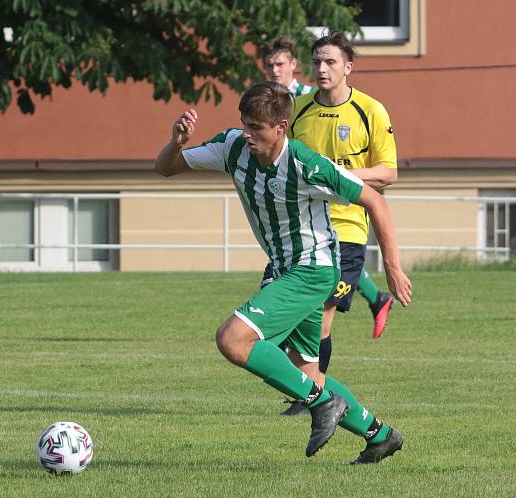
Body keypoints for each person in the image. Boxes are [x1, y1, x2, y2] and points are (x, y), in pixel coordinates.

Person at [155, 81, 413, 464]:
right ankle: (380, 436)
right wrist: (176, 142)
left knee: (232, 339)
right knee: (307, 373)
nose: (248, 133)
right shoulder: (233, 147)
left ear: (280, 126)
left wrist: (393, 268)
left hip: (313, 270)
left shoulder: (306, 164)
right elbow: (166, 169)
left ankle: (323, 405)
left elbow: (374, 199)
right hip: (285, 268)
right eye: (244, 123)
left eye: (256, 127)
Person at [276, 32, 399, 416]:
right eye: (317, 62)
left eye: (330, 62)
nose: (322, 69)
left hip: (347, 229)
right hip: (303, 228)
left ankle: (311, 396)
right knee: (290, 320)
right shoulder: (299, 111)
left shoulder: (370, 110)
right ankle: (310, 388)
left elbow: (389, 172)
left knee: (323, 315)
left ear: (348, 67)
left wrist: (340, 175)